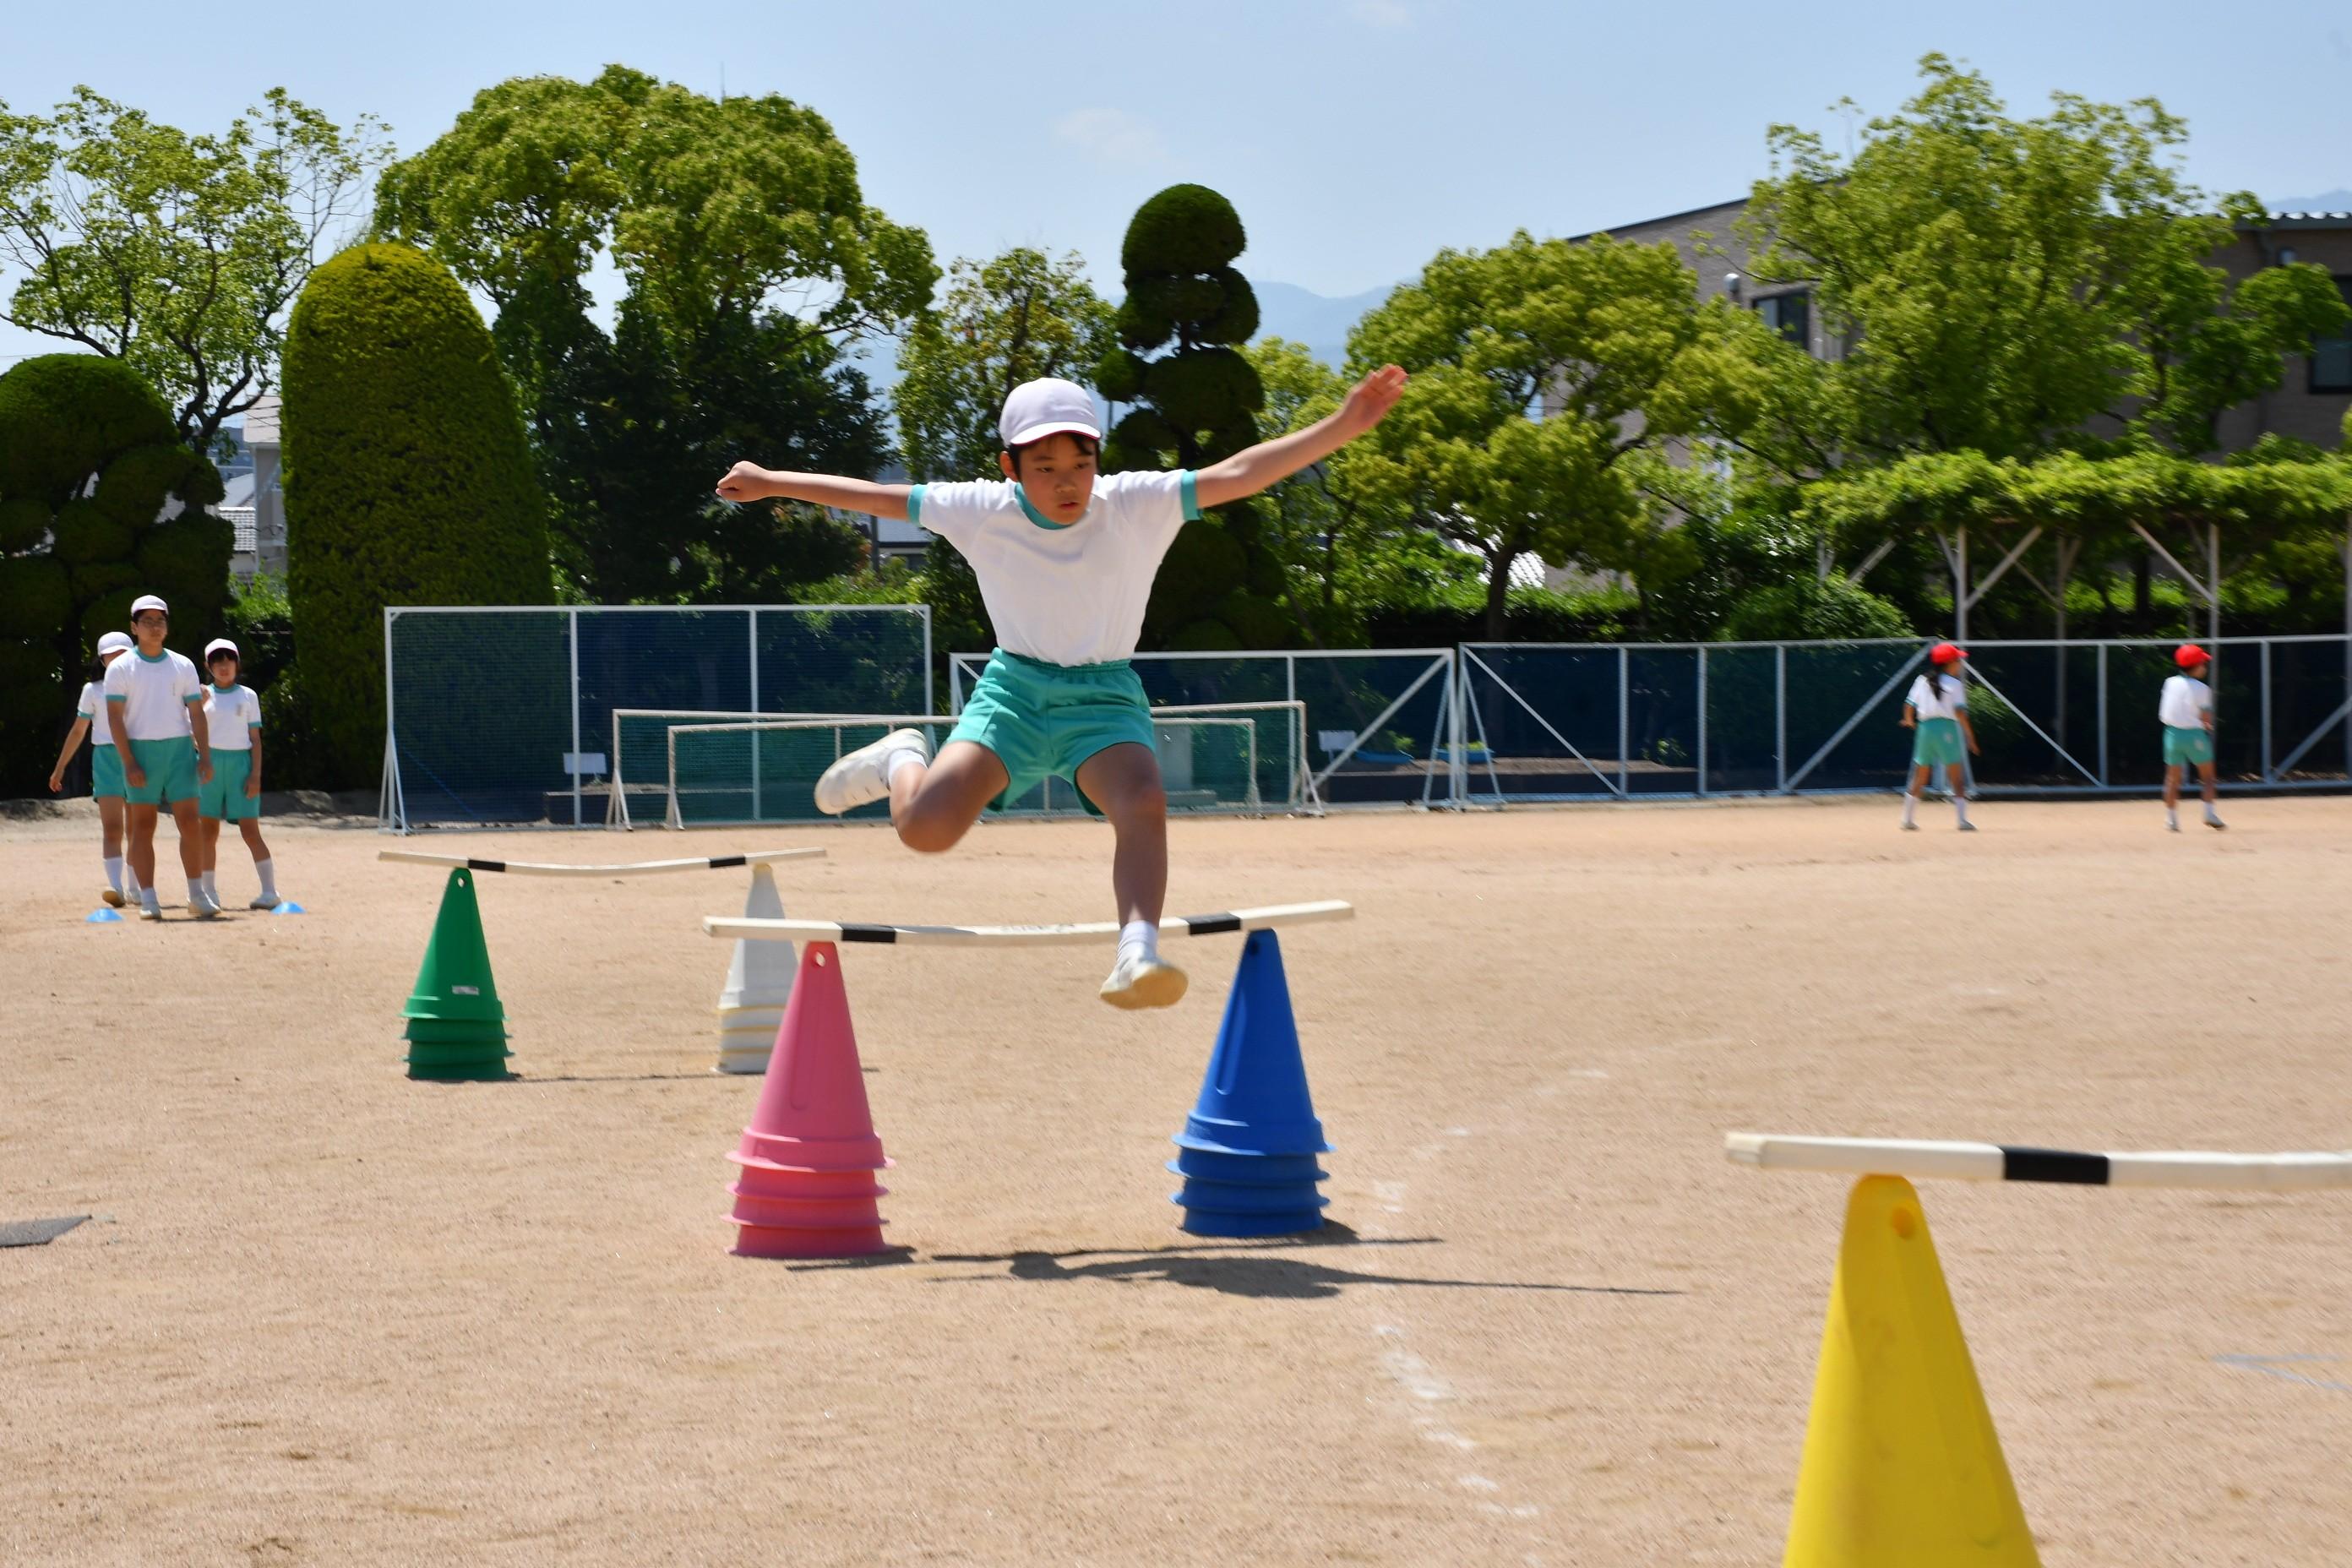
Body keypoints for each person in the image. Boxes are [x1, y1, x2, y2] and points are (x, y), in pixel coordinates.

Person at [716, 367, 1409, 1009]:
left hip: (1103, 701)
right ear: (1010, 468)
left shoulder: (1136, 503)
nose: (1067, 482)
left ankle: (1136, 952)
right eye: (1044, 468)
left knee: (1143, 800)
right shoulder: (979, 508)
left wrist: (1343, 425)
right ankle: (903, 757)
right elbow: (876, 498)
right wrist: (772, 481)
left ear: (1098, 459)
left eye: (1081, 463)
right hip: (1013, 695)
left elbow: (1238, 472)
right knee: (925, 831)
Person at [104, 594, 219, 919]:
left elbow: (196, 712)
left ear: (167, 626)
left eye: (160, 621)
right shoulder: (121, 667)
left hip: (180, 750)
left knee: (191, 823)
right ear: (134, 627)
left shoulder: (183, 665)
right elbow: (114, 717)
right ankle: (149, 898)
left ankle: (197, 895)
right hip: (141, 751)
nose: (154, 627)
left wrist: (205, 756)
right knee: (143, 826)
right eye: (147, 621)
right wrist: (129, 761)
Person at [48, 630, 140, 906]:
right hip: (106, 759)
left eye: (123, 653)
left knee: (137, 828)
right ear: (101, 659)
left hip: (139, 755)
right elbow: (79, 730)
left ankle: (136, 886)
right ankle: (115, 886)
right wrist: (60, 767)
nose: (117, 659)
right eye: (111, 655)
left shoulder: (143, 687)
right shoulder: (93, 690)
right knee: (112, 827)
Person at [197, 639, 282, 907]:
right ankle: (208, 892)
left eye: (229, 660)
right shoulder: (200, 696)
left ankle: (270, 892)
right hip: (208, 764)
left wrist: (256, 775)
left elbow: (255, 739)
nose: (224, 666)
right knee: (207, 832)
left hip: (241, 766)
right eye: (217, 661)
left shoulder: (248, 695)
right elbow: (191, 735)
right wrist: (198, 705)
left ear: (237, 663)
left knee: (250, 830)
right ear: (208, 666)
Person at [1898, 641, 1979, 831]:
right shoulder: (1955, 684)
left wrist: (1909, 721)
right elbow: (1960, 713)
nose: (1960, 663)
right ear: (1949, 662)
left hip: (1925, 729)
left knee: (1921, 775)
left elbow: (1909, 705)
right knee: (1956, 777)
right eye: (1958, 660)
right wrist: (1970, 737)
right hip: (1946, 729)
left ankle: (1907, 819)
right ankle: (1962, 820)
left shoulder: (1922, 680)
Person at [2160, 643, 2224, 831]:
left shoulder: (2169, 682)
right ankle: (2209, 813)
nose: (2205, 667)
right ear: (2196, 666)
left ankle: (2171, 820)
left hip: (2171, 734)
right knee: (2208, 777)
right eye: (2203, 663)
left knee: (2172, 779)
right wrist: (2208, 725)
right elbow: (2206, 718)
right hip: (2194, 734)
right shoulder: (2203, 688)